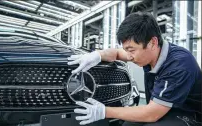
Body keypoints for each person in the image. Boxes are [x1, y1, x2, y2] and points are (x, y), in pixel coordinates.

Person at [67, 12, 202, 126]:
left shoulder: (178, 65)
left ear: (153, 43)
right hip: (160, 107)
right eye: (127, 50)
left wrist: (104, 111)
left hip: (188, 113)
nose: (129, 57)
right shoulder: (150, 53)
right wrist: (98, 55)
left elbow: (151, 114)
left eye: (131, 50)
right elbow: (117, 53)